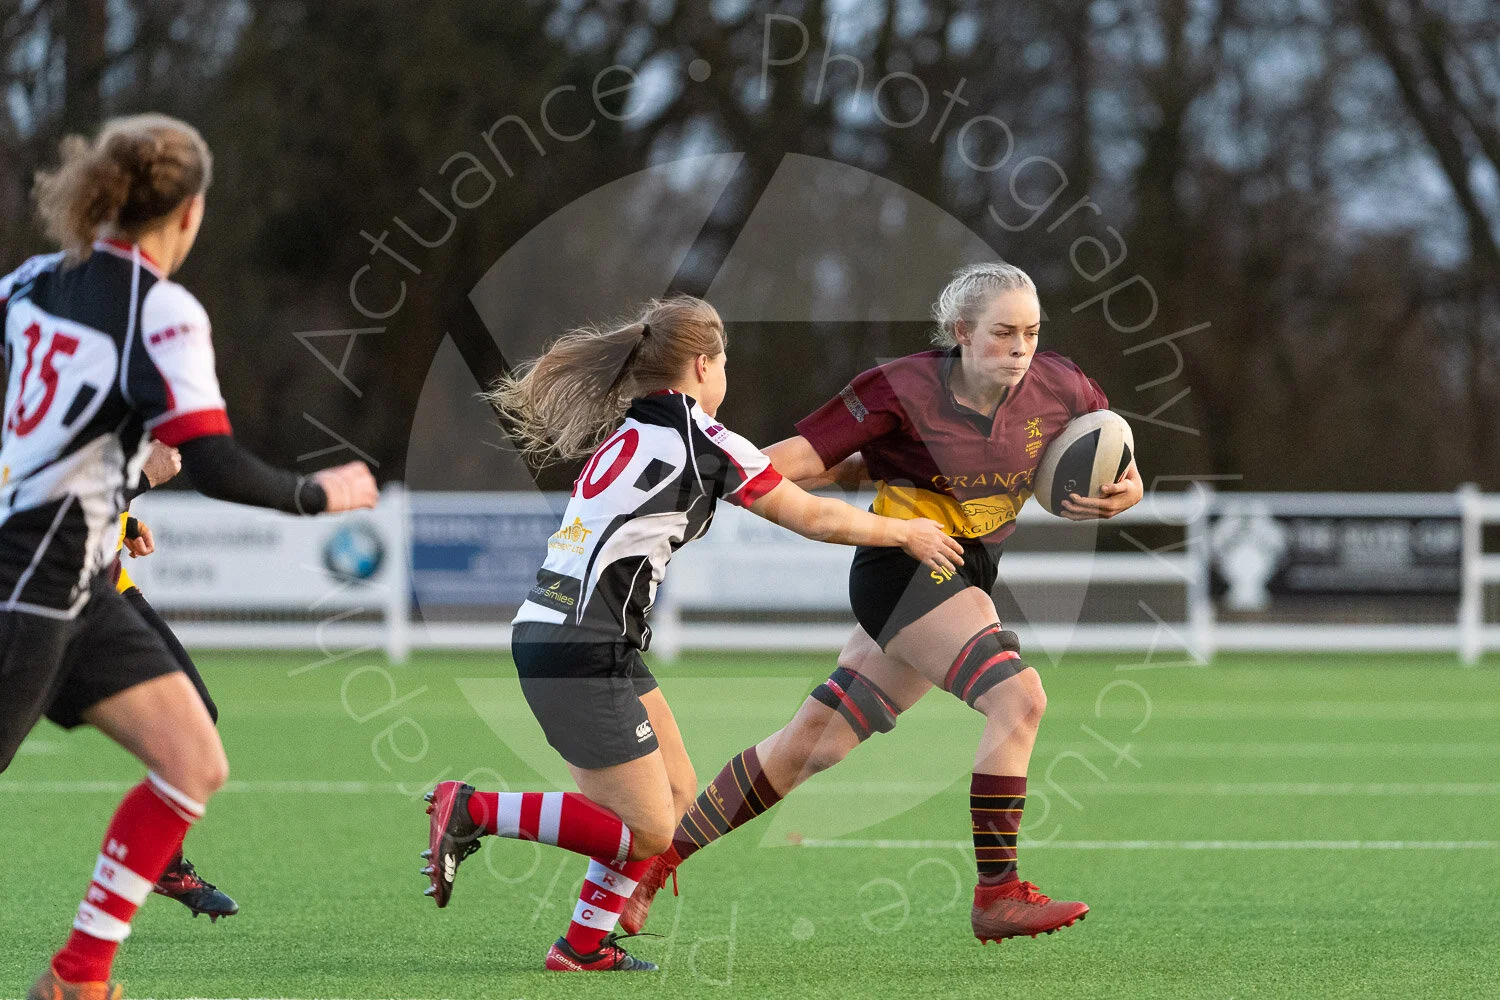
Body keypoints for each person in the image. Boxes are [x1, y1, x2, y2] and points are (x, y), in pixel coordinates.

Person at [421, 295, 963, 972]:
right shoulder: (702, 438)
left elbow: (763, 481)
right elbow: (812, 519)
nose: (725, 372)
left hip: (577, 637)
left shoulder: (637, 429)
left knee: (675, 796)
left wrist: (871, 471)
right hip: (580, 645)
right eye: (724, 360)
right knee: (645, 829)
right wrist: (904, 531)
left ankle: (583, 946)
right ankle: (472, 809)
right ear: (704, 364)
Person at [619, 262, 1144, 944]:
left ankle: (650, 865)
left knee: (812, 747)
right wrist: (696, 474)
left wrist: (1123, 492)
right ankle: (999, 893)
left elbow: (1123, 469)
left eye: (1032, 333)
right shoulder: (901, 387)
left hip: (965, 572)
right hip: (902, 568)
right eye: (1003, 333)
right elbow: (795, 460)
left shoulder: (1064, 387)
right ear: (961, 332)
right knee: (1020, 698)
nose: (1020, 348)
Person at [0, 114, 378, 1000]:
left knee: (192, 759)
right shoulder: (162, 308)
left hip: (77, 578)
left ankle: (78, 979)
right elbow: (212, 463)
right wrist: (322, 494)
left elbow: (50, 421)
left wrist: (115, 485)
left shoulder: (28, 282)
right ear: (191, 211)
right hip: (32, 577)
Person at [112, 440, 237, 921]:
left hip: (104, 591)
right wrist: (142, 479)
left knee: (194, 716)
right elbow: (27, 500)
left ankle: (164, 861)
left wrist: (121, 523)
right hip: (36, 597)